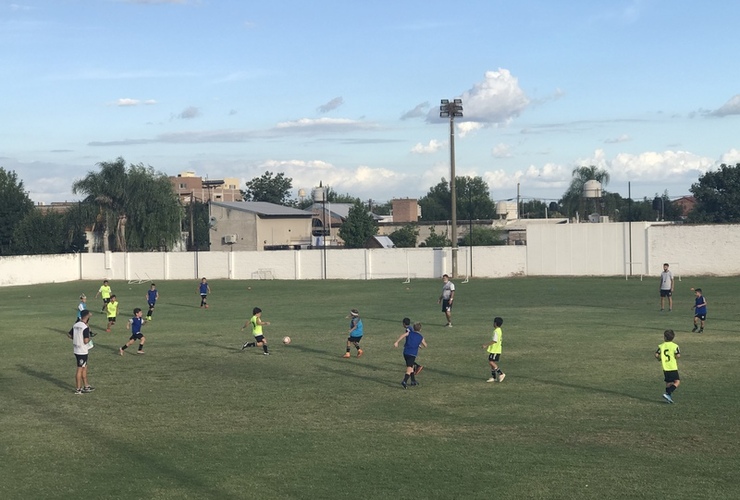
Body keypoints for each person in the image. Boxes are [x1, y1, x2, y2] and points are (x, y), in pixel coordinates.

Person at [68, 309, 95, 394]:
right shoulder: (85, 327)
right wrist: (89, 339)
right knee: (80, 369)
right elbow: (86, 341)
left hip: (76, 349)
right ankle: (78, 389)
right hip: (82, 351)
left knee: (84, 367)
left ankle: (86, 386)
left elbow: (69, 334)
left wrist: (76, 339)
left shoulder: (76, 325)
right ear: (87, 316)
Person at [394, 322, 427, 389]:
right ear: (420, 329)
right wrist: (419, 344)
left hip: (405, 352)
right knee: (409, 368)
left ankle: (413, 381)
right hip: (412, 354)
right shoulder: (420, 337)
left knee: (411, 366)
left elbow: (403, 335)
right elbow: (425, 345)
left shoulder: (409, 333)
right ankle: (404, 381)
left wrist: (397, 342)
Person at [655, 329, 681, 403]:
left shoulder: (661, 346)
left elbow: (656, 355)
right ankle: (668, 393)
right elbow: (678, 355)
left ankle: (668, 398)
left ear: (664, 337)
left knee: (668, 382)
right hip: (672, 366)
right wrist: (675, 357)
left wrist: (660, 359)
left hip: (665, 367)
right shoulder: (675, 346)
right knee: (677, 382)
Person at [482, 317, 506, 383]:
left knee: (491, 362)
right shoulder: (499, 330)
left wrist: (486, 345)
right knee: (492, 363)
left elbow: (494, 341)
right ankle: (494, 377)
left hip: (495, 350)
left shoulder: (496, 331)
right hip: (495, 350)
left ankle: (501, 373)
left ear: (495, 323)